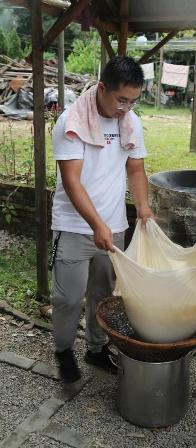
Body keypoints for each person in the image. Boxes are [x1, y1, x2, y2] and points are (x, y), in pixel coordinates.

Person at [50, 56, 154, 383]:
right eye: (121, 99)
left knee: (104, 294)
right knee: (67, 298)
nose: (126, 108)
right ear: (103, 88)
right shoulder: (71, 122)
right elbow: (72, 181)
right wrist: (96, 225)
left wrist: (143, 207)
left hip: (114, 228)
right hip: (74, 226)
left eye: (133, 101)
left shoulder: (130, 122)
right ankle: (64, 350)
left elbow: (135, 168)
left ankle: (96, 349)